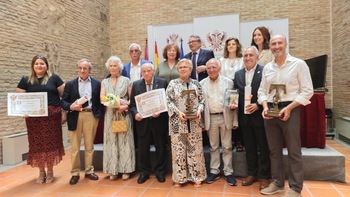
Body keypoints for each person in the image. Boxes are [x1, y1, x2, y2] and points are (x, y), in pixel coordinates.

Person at [258, 35, 313, 197]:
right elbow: (262, 91)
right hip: (270, 113)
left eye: (279, 43)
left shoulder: (298, 64)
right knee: (274, 150)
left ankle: (296, 188)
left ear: (285, 44)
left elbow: (307, 91)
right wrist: (265, 106)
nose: (276, 46)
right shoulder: (267, 68)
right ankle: (277, 183)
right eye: (273, 44)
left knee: (294, 151)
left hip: (291, 109)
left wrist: (289, 108)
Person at [16, 54, 65, 184]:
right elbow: (20, 100)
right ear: (33, 65)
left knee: (50, 144)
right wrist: (22, 111)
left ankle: (50, 171)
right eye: (37, 63)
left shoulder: (54, 78)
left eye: (42, 63)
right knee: (37, 145)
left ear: (46, 66)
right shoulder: (26, 79)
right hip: (34, 119)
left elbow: (64, 97)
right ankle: (41, 171)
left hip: (52, 117)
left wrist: (64, 113)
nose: (39, 66)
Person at [61, 58, 103, 185]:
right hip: (75, 116)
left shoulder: (97, 83)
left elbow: (100, 100)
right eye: (80, 68)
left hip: (91, 116)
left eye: (85, 68)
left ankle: (89, 171)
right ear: (77, 69)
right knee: (75, 146)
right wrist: (70, 107)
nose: (82, 70)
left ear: (89, 70)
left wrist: (98, 114)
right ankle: (75, 173)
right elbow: (63, 101)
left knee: (89, 146)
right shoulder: (70, 84)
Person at [234, 46, 271, 190]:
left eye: (251, 55)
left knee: (263, 147)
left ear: (257, 57)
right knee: (249, 147)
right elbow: (235, 94)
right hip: (245, 117)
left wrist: (258, 105)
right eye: (245, 55)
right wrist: (232, 104)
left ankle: (265, 176)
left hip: (260, 115)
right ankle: (252, 173)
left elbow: (269, 92)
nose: (248, 58)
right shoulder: (238, 74)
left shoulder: (265, 71)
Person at [166, 59, 206, 187]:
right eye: (181, 67)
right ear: (178, 70)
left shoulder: (196, 84)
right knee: (178, 151)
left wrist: (199, 110)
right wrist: (178, 112)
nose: (183, 69)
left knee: (195, 149)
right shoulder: (172, 84)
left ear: (190, 69)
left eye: (186, 67)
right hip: (177, 122)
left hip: (195, 123)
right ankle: (179, 177)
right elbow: (168, 101)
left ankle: (196, 175)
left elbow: (202, 100)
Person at [200, 58, 238, 186]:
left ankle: (228, 172)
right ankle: (214, 171)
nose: (211, 70)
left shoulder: (229, 82)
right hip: (210, 118)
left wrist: (235, 119)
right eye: (209, 68)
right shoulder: (201, 84)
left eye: (214, 67)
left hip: (225, 116)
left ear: (219, 68)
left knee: (227, 146)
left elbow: (233, 102)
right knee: (213, 146)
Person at [129, 63, 168, 184]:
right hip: (143, 122)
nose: (146, 73)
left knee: (160, 147)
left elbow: (166, 101)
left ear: (153, 71)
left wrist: (160, 112)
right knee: (142, 148)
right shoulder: (136, 85)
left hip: (158, 121)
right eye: (144, 71)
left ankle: (160, 172)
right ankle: (144, 172)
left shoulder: (162, 83)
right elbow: (132, 105)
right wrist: (135, 114)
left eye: (148, 71)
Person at [100, 56, 135, 181]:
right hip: (110, 115)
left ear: (119, 67)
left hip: (123, 114)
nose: (113, 68)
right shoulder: (104, 82)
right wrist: (116, 102)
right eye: (111, 66)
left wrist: (124, 106)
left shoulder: (127, 81)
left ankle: (126, 169)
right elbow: (102, 98)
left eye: (115, 65)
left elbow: (132, 99)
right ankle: (113, 169)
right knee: (111, 141)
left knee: (124, 141)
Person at [219, 37, 245, 152]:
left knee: (238, 115)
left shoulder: (242, 59)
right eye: (229, 44)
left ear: (237, 46)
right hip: (227, 90)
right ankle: (231, 141)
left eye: (233, 44)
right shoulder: (221, 60)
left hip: (239, 89)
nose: (231, 46)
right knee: (229, 114)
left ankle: (240, 141)